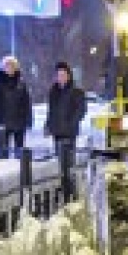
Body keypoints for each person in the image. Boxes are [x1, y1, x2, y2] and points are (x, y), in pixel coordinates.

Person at [45, 61, 87, 198]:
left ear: (69, 76)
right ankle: (61, 188)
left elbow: (81, 111)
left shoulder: (77, 92)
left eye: (63, 74)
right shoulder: (53, 92)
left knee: (69, 163)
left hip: (69, 133)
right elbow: (51, 111)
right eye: (58, 75)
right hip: (57, 132)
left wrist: (71, 123)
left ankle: (71, 191)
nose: (61, 77)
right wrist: (48, 125)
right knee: (58, 162)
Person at [0, 55, 33, 159]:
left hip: (19, 122)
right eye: (7, 66)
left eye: (12, 66)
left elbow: (27, 103)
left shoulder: (21, 84)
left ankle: (21, 172)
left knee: (20, 151)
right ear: (3, 68)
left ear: (16, 68)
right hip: (3, 122)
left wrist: (28, 119)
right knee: (3, 152)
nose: (9, 68)